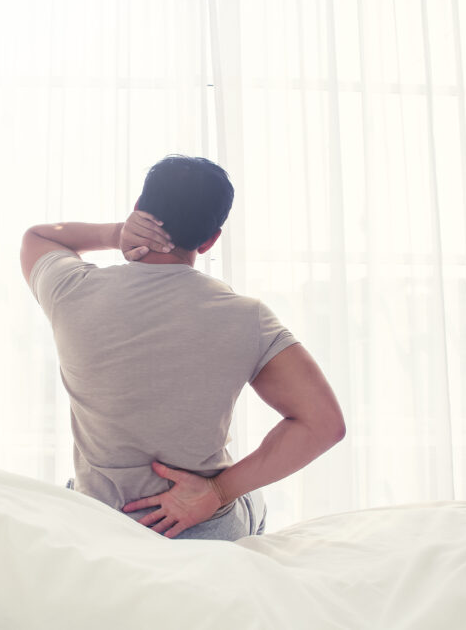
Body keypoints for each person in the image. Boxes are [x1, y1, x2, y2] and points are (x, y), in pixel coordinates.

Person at [21, 155, 345, 540]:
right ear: (210, 240)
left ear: (139, 210)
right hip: (201, 527)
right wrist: (218, 492)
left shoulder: (71, 290)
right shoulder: (247, 317)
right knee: (253, 501)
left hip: (97, 521)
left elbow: (38, 237)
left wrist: (116, 233)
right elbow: (324, 424)